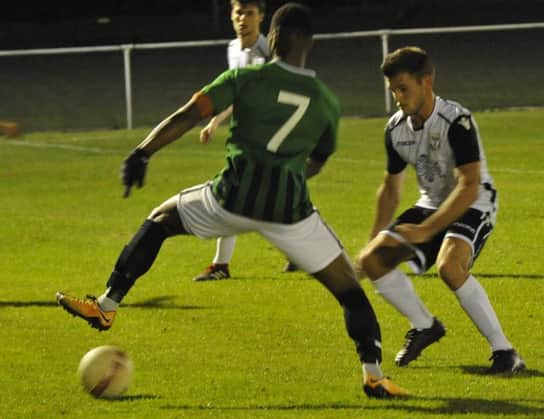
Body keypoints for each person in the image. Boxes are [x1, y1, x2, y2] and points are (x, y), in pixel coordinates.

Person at [56, 3, 409, 399]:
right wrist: (288, 177)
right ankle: (374, 374)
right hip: (290, 214)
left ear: (270, 38)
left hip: (231, 199)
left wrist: (142, 152)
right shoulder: (327, 101)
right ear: (310, 43)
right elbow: (318, 161)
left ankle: (106, 304)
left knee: (159, 221)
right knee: (350, 292)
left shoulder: (244, 78)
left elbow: (189, 115)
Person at [357, 46, 525, 374]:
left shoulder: (456, 121)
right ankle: (424, 325)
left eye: (403, 89)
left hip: (474, 201)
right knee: (372, 260)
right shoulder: (395, 129)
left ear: (427, 83)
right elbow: (391, 187)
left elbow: (469, 183)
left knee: (449, 266)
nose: (398, 98)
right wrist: (375, 238)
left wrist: (425, 230)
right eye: (393, 91)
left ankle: (505, 352)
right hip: (430, 204)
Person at [194, 0, 298, 281]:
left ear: (261, 17)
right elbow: (238, 93)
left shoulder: (269, 52)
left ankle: (220, 266)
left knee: (232, 196)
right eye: (238, 12)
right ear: (231, 15)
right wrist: (215, 120)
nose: (243, 19)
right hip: (248, 137)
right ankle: (303, 253)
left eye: (250, 13)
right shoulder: (232, 49)